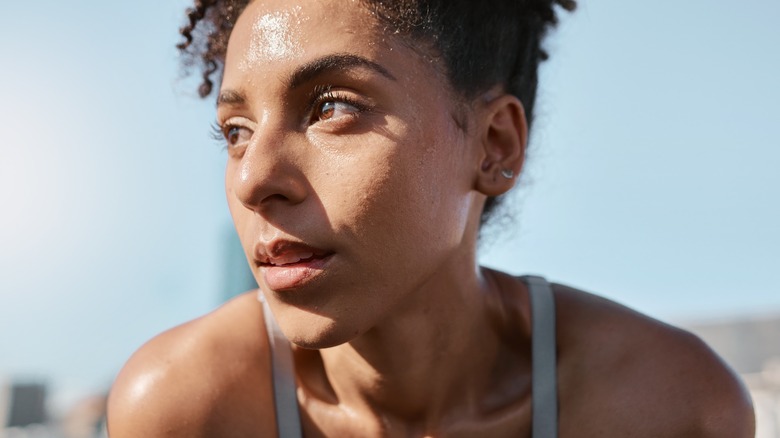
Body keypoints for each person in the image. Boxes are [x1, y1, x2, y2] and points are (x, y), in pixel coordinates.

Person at [107, 0, 755, 436]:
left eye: (332, 106)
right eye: (236, 130)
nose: (252, 179)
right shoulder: (187, 408)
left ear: (494, 144)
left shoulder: (663, 405)